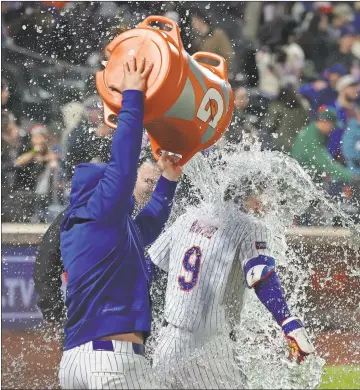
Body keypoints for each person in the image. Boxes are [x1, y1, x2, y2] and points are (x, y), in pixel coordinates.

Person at [58, 57, 182, 389]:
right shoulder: (100, 212)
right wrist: (133, 95)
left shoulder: (95, 228)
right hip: (112, 360)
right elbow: (124, 165)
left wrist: (167, 181)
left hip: (75, 360)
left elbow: (148, 227)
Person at [148, 165, 315, 389]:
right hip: (209, 348)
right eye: (266, 194)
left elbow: (148, 268)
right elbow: (261, 276)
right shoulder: (250, 228)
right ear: (253, 197)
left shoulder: (190, 218)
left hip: (168, 344)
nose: (271, 203)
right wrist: (288, 322)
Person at [34, 151, 163, 327]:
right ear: (132, 179)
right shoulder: (95, 208)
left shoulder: (162, 218)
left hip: (137, 321)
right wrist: (54, 312)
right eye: (148, 181)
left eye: (158, 184)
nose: (152, 189)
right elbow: (48, 258)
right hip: (89, 318)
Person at [291, 109, 356, 184]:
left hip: (303, 179)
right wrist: (352, 178)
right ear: (326, 123)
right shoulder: (311, 139)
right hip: (298, 183)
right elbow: (327, 164)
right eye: (333, 126)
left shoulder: (312, 130)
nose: (333, 130)